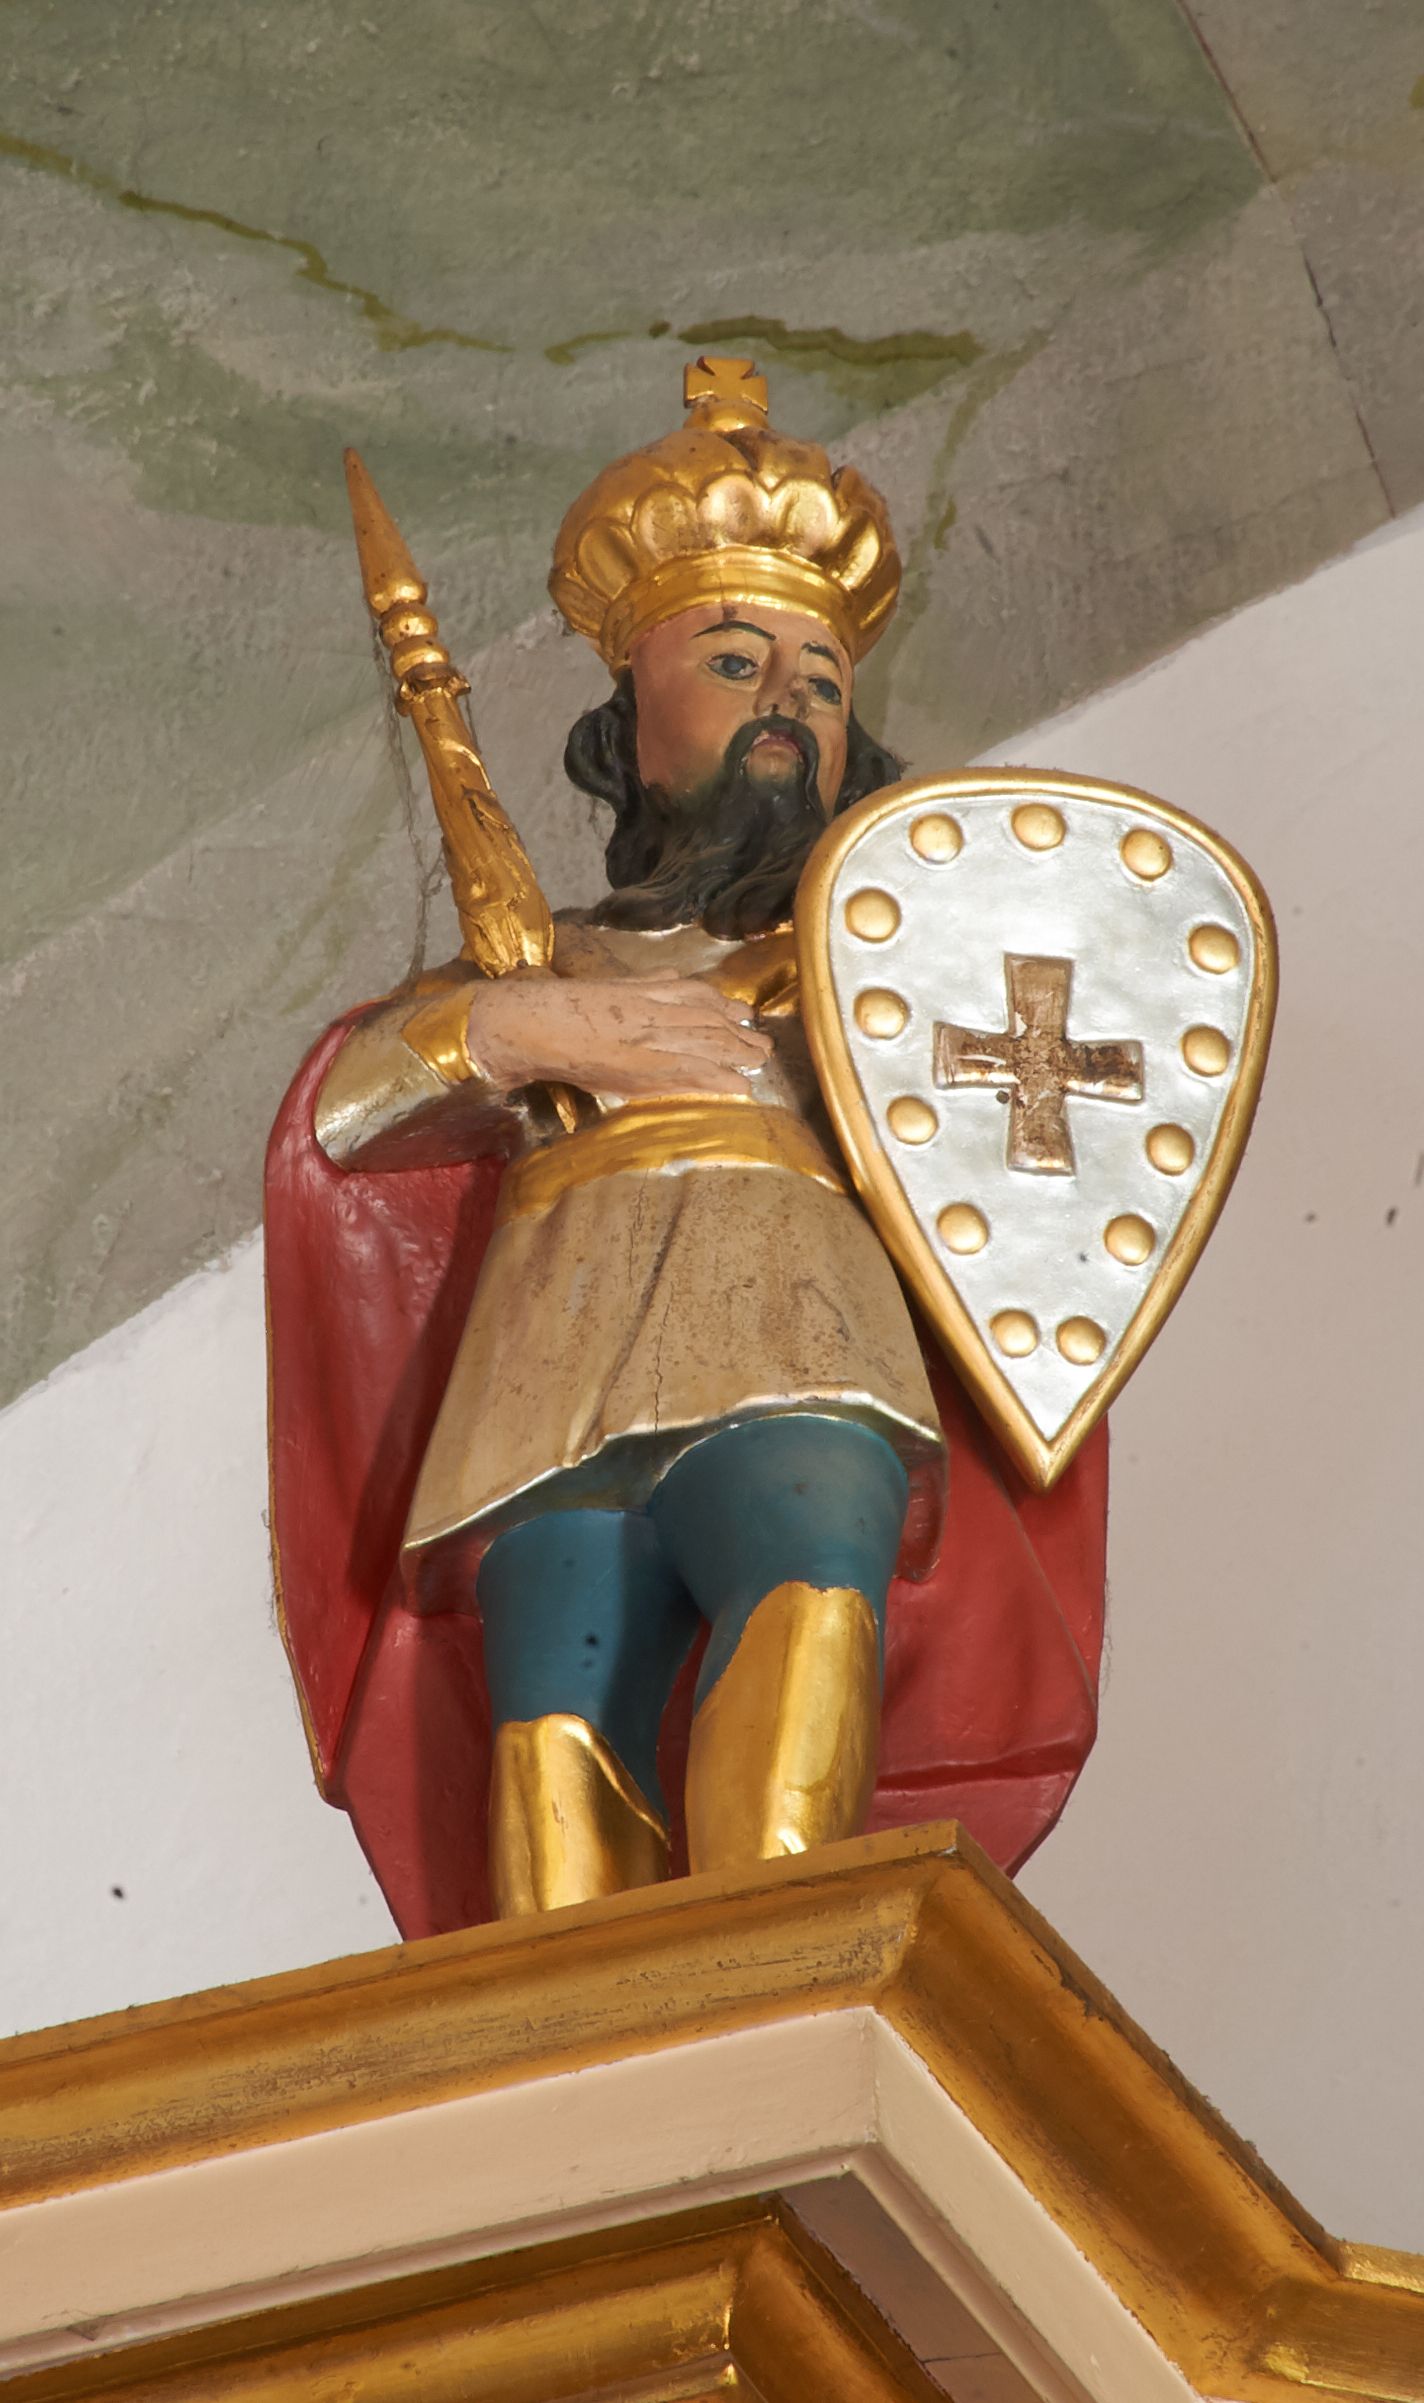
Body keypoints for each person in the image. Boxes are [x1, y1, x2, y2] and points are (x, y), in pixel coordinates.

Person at [266, 358, 1107, 1935]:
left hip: (796, 1322)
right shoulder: (547, 960)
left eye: (820, 682)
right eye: (735, 659)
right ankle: (584, 2028)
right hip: (555, 1360)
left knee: (810, 1580)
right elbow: (347, 1114)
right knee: (554, 1723)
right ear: (626, 722)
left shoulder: (873, 956)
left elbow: (1029, 1130)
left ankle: (775, 1973)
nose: (786, 699)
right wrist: (529, 1027)